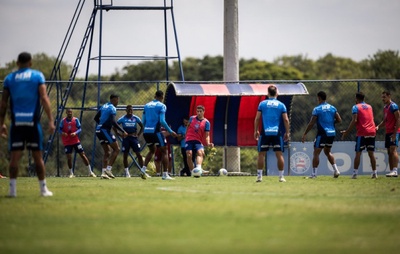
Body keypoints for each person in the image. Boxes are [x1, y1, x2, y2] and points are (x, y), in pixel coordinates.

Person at [0, 52, 55, 197]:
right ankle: (43, 189)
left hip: (17, 123)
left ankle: (12, 190)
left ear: (17, 63)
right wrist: (51, 120)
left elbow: (4, 103)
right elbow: (44, 97)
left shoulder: (9, 79)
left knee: (14, 158)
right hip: (32, 123)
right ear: (30, 63)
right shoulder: (37, 76)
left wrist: (1, 124)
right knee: (38, 157)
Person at [254, 85, 290, 183]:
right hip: (276, 132)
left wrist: (255, 130)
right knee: (279, 154)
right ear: (276, 93)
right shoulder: (281, 105)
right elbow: (286, 120)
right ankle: (281, 177)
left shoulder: (262, 104)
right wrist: (287, 132)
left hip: (265, 132)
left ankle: (259, 177)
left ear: (268, 93)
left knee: (261, 154)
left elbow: (257, 118)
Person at [302, 91, 342, 178]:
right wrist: (331, 123)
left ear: (319, 98)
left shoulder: (317, 109)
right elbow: (339, 120)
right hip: (332, 133)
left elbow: (312, 123)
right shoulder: (332, 108)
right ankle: (336, 170)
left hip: (322, 133)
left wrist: (305, 133)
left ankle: (314, 174)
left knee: (316, 152)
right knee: (327, 152)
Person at [141, 90, 177, 180]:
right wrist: (170, 131)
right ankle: (165, 174)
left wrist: (147, 129)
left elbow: (143, 121)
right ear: (162, 97)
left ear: (154, 96)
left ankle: (143, 170)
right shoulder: (162, 106)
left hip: (146, 132)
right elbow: (162, 121)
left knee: (151, 151)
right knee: (164, 151)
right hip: (156, 131)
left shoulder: (146, 105)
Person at [341, 92, 377, 179]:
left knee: (358, 153)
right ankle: (375, 173)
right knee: (371, 153)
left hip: (362, 132)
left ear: (356, 99)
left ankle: (355, 174)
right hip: (372, 131)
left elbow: (355, 120)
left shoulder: (355, 107)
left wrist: (347, 131)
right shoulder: (369, 106)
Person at [94, 94, 128, 179]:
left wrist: (101, 125)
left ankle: (103, 173)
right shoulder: (112, 108)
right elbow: (113, 121)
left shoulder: (104, 106)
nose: (118, 102)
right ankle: (108, 169)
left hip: (98, 130)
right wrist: (123, 131)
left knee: (107, 152)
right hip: (104, 130)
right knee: (117, 149)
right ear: (114, 100)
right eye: (117, 100)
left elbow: (96, 118)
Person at [59, 108, 96, 178]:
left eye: (71, 112)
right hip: (67, 142)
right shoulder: (63, 121)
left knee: (82, 155)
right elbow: (59, 129)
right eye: (68, 112)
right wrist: (63, 133)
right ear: (66, 113)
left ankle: (90, 172)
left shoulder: (76, 120)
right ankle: (71, 173)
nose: (70, 113)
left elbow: (79, 128)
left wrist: (75, 133)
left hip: (75, 141)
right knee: (69, 157)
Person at [376, 90, 400, 177]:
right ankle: (391, 171)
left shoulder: (393, 106)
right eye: (382, 97)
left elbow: (398, 119)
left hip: (394, 132)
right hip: (388, 132)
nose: (383, 99)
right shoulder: (385, 107)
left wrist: (395, 133)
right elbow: (385, 121)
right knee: (389, 152)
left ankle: (395, 170)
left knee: (393, 150)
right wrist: (378, 126)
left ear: (389, 96)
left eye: (384, 97)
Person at [116, 105, 144, 178]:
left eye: (131, 110)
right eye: (129, 110)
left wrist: (138, 134)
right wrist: (119, 134)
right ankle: (127, 172)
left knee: (139, 154)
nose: (130, 111)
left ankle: (143, 171)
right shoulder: (122, 119)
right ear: (126, 110)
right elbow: (115, 126)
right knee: (125, 155)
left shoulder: (135, 118)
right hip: (126, 139)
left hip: (134, 138)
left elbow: (142, 126)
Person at [185, 105, 214, 175]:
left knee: (200, 152)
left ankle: (198, 168)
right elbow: (188, 127)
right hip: (189, 139)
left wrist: (208, 143)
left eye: (200, 111)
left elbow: (207, 135)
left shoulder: (206, 122)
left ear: (204, 112)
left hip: (198, 141)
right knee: (189, 155)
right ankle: (193, 172)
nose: (199, 113)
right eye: (197, 111)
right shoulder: (192, 118)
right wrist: (186, 136)